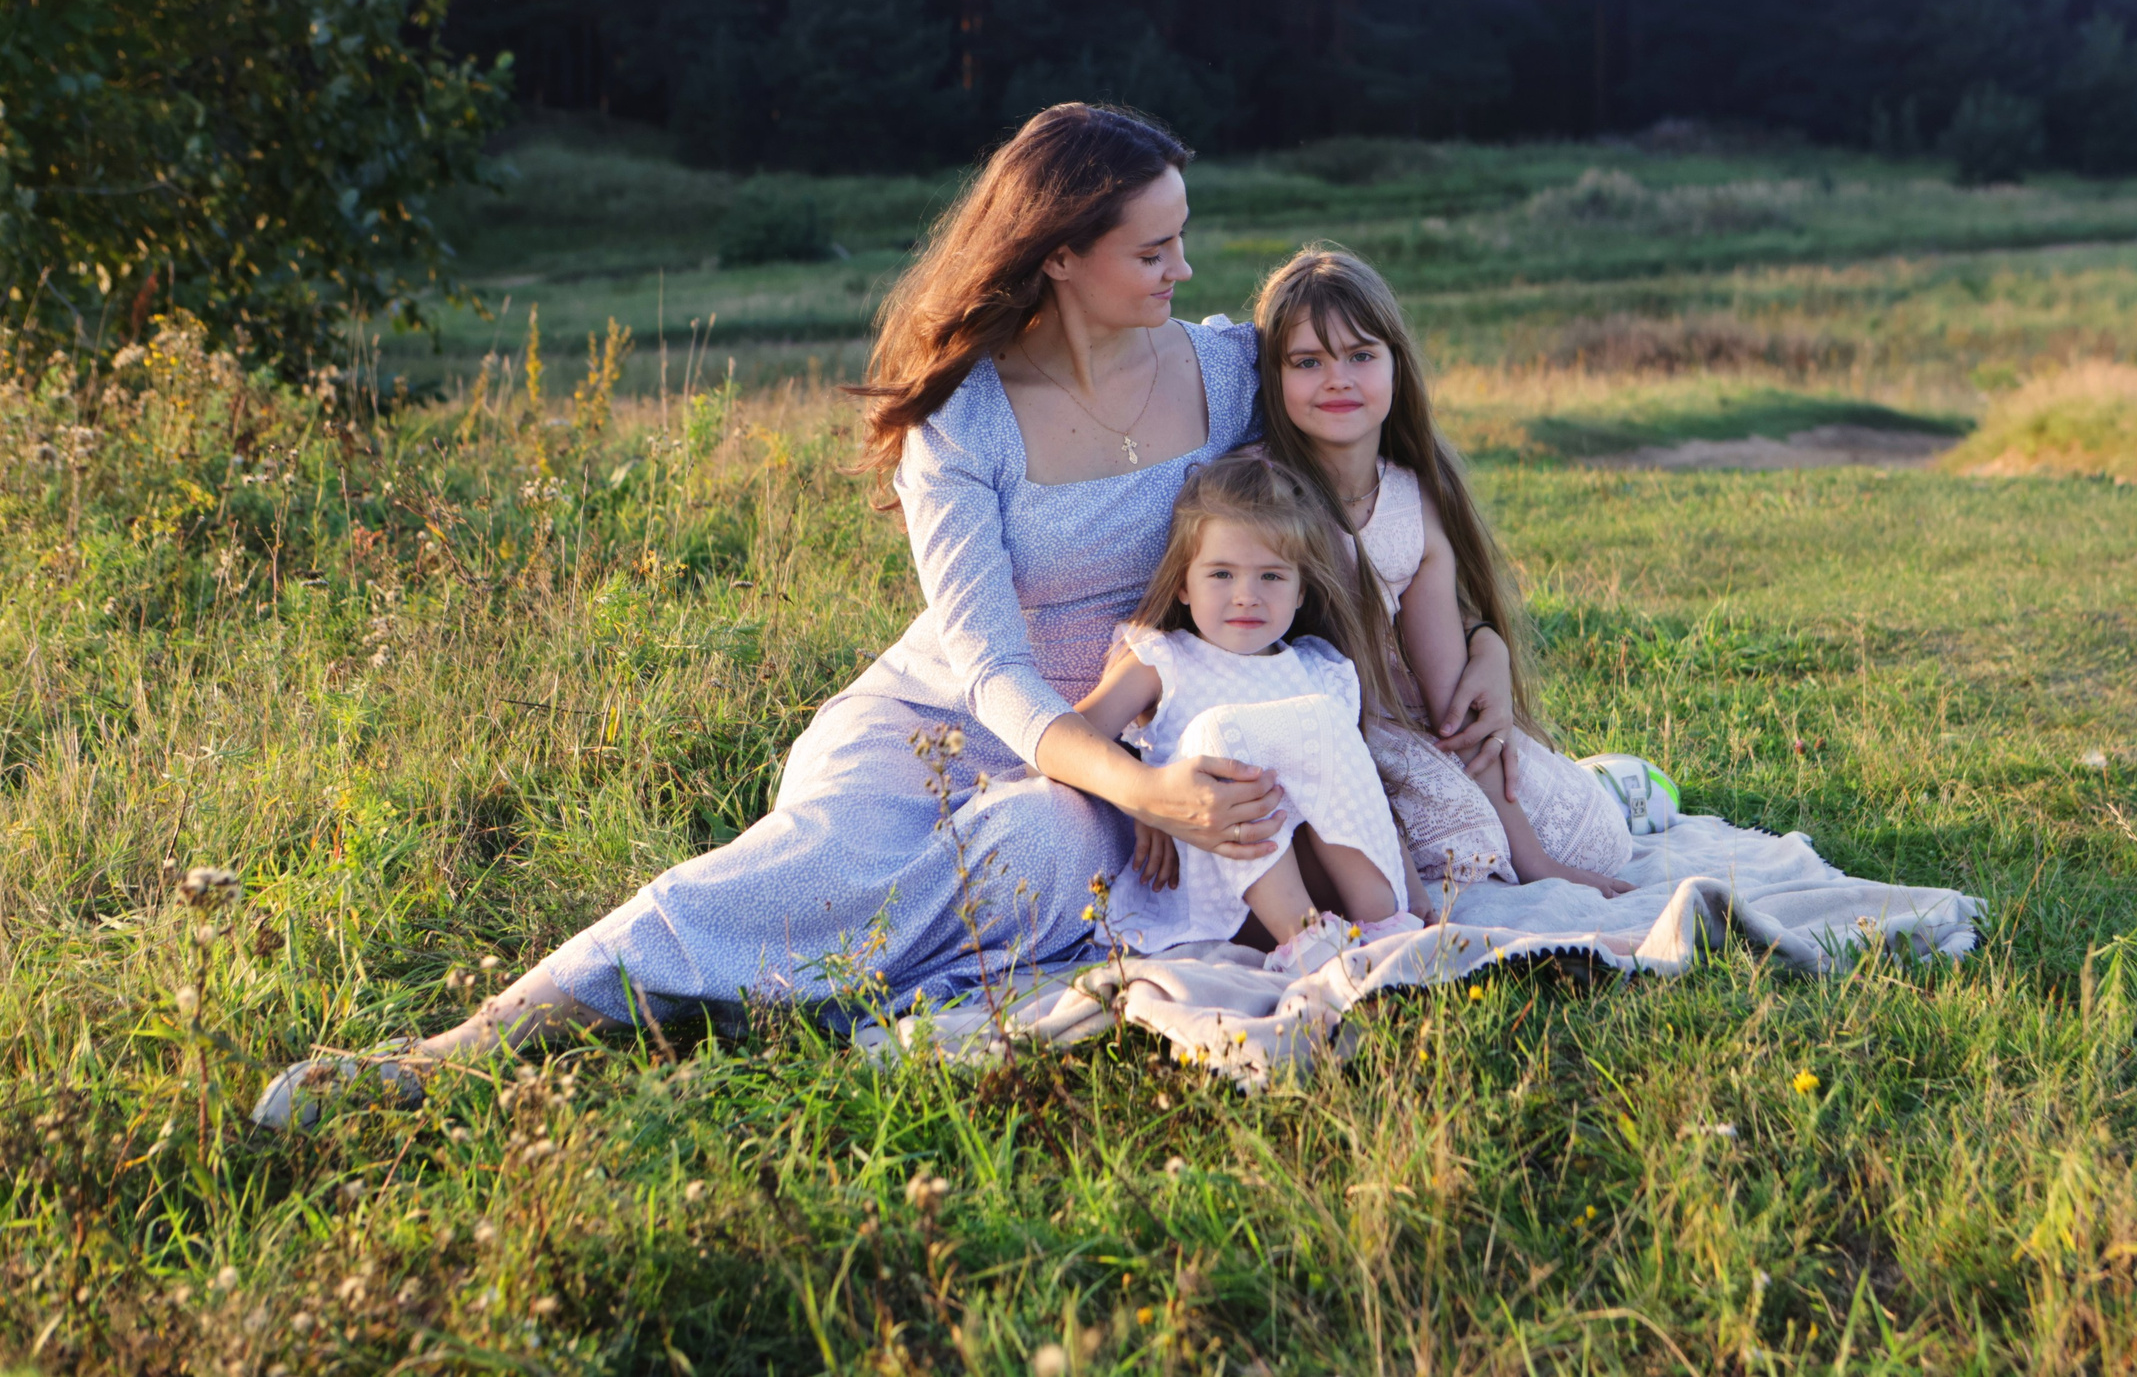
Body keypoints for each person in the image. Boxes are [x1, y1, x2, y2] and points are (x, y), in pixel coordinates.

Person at [253, 104, 1521, 1129]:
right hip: (954, 717)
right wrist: (1147, 799)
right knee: (811, 860)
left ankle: (782, 1000)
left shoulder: (1230, 369)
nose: (1188, 270)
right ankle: (470, 1043)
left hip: (1144, 729)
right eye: (1154, 249)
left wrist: (1479, 646)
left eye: (1184, 240)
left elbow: (1381, 479)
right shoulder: (958, 421)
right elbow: (990, 672)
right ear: (1060, 255)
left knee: (1029, 853)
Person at [1250, 247, 1638, 904]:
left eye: (1361, 355)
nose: (1337, 378)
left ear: (1397, 365)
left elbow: (1451, 703)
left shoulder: (1412, 499)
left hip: (1409, 729)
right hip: (1325, 747)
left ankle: (1630, 786)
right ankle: (1620, 784)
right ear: (1273, 374)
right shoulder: (1260, 492)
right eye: (1308, 361)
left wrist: (1539, 862)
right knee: (1447, 852)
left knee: (1589, 836)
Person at [1083, 455, 1424, 973]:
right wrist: (1141, 798)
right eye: (1221, 574)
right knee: (1218, 733)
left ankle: (1388, 929)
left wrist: (1414, 889)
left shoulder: (1319, 671)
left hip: (1319, 883)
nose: (1246, 595)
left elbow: (1354, 786)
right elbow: (1073, 737)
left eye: (1271, 576)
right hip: (1211, 894)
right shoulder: (1162, 660)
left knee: (1319, 722)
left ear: (1300, 589)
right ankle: (1310, 946)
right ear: (1183, 584)